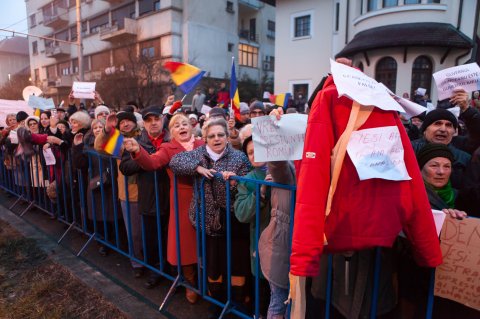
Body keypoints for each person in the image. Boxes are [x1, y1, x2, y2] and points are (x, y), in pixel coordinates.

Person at [169, 118, 251, 318]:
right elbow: (175, 162)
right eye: (212, 136)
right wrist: (197, 168)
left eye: (220, 135)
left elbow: (249, 180)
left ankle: (237, 302)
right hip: (206, 220)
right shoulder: (199, 154)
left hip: (233, 221)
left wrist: (236, 182)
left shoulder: (239, 158)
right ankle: (217, 302)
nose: (216, 139)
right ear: (204, 138)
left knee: (236, 262)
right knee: (213, 264)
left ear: (226, 137)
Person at [124, 113, 204, 303]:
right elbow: (151, 163)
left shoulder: (203, 144)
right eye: (176, 126)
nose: (182, 127)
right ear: (172, 132)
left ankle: (210, 282)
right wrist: (137, 151)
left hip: (207, 199)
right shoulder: (168, 148)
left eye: (185, 123)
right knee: (186, 244)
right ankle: (191, 283)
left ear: (192, 126)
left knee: (208, 242)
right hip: (182, 200)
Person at [396, 143, 473, 319]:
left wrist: (459, 222)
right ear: (420, 168)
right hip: (414, 280)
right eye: (434, 165)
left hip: (449, 282)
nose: (441, 172)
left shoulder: (461, 197)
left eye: (447, 166)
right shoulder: (408, 196)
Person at [119, 106, 170, 289]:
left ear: (163, 119)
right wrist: (145, 159)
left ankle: (175, 274)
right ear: (144, 123)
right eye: (149, 120)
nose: (153, 122)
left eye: (156, 118)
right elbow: (125, 168)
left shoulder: (172, 139)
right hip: (148, 198)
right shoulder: (136, 141)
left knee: (171, 238)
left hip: (172, 198)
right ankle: (155, 271)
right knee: (152, 239)